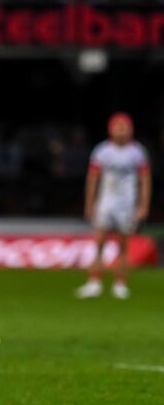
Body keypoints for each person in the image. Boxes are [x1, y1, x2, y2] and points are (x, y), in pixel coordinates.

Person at [76, 112, 151, 299]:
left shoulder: (137, 152)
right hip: (105, 203)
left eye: (124, 127)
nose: (121, 131)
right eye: (118, 127)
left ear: (130, 130)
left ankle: (120, 283)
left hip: (127, 204)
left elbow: (145, 180)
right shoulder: (102, 151)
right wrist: (89, 203)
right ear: (111, 130)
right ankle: (94, 282)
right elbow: (93, 179)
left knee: (124, 246)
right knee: (99, 243)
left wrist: (143, 205)